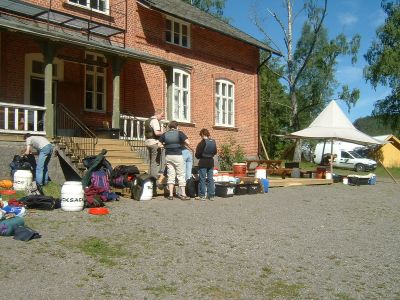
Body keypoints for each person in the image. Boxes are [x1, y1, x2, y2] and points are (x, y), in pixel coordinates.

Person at [158, 121, 190, 200]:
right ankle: (183, 194)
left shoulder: (165, 134)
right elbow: (188, 142)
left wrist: (166, 146)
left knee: (171, 175)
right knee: (180, 175)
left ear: (169, 127)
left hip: (168, 156)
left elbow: (159, 145)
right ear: (176, 126)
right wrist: (181, 144)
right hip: (178, 155)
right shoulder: (179, 133)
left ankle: (171, 195)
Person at [195, 128, 217, 201]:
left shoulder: (202, 143)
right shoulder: (213, 141)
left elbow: (197, 154)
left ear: (202, 134)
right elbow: (215, 152)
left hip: (203, 162)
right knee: (210, 179)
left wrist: (201, 156)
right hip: (211, 161)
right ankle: (211, 195)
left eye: (201, 135)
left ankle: (202, 195)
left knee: (202, 179)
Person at [145, 109, 165, 178]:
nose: (162, 118)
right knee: (155, 162)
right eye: (162, 116)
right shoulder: (155, 121)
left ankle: (149, 178)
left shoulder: (148, 120)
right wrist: (163, 132)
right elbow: (157, 133)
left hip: (148, 142)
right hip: (154, 143)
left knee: (151, 161)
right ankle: (154, 179)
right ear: (157, 114)